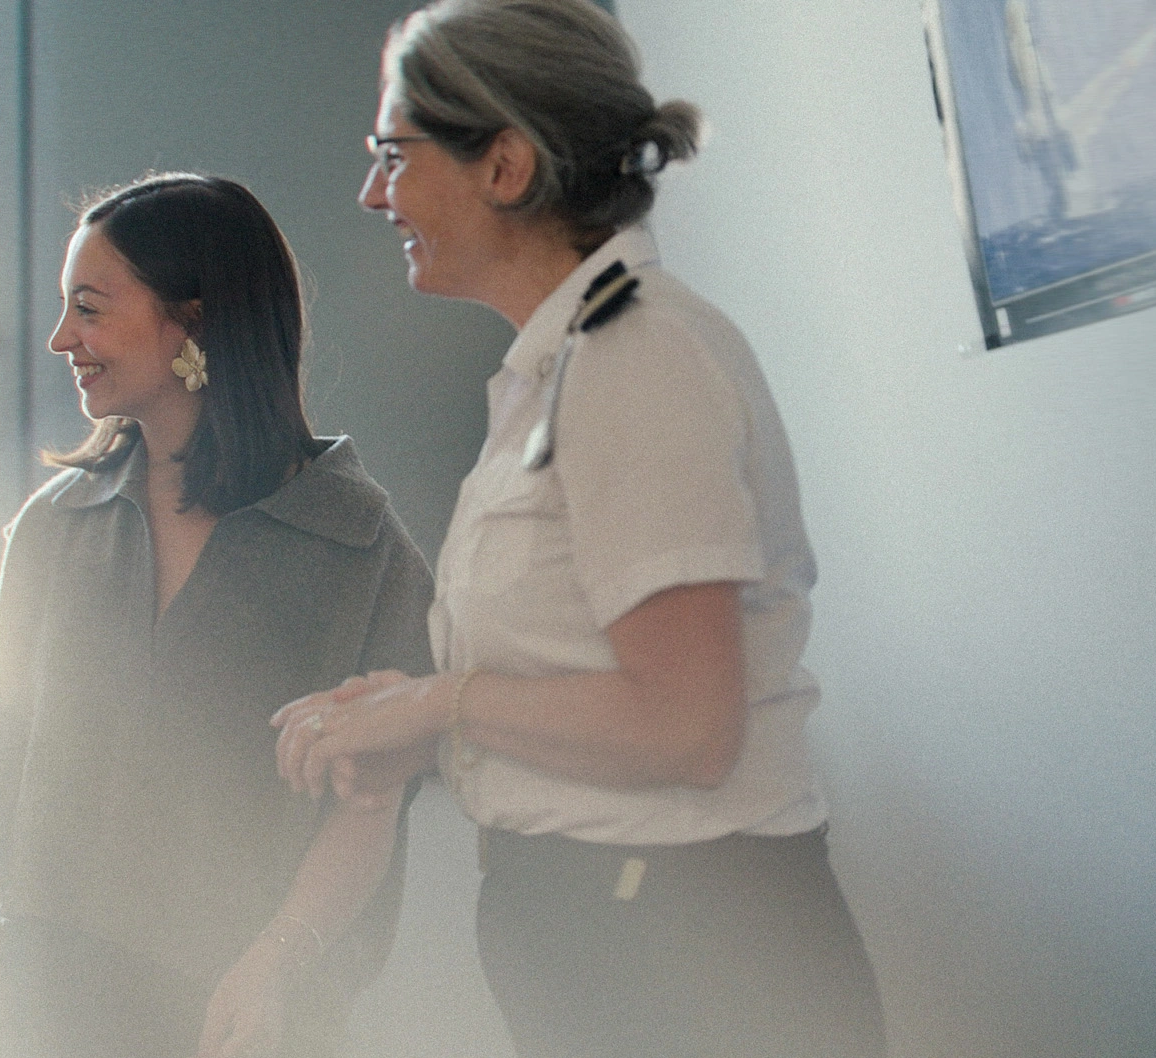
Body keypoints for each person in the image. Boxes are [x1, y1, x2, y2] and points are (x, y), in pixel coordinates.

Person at [272, 2, 887, 1057]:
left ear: (503, 164)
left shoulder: (635, 362)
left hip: (687, 948)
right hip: (618, 933)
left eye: (392, 152)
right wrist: (411, 714)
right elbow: (575, 666)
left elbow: (684, 726)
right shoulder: (559, 369)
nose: (373, 192)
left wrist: (438, 703)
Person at [0, 174, 434, 1058]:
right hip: (44, 1008)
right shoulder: (56, 527)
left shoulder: (358, 546)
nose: (63, 338)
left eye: (90, 309)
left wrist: (275, 962)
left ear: (193, 322)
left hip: (242, 1020)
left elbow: (369, 809)